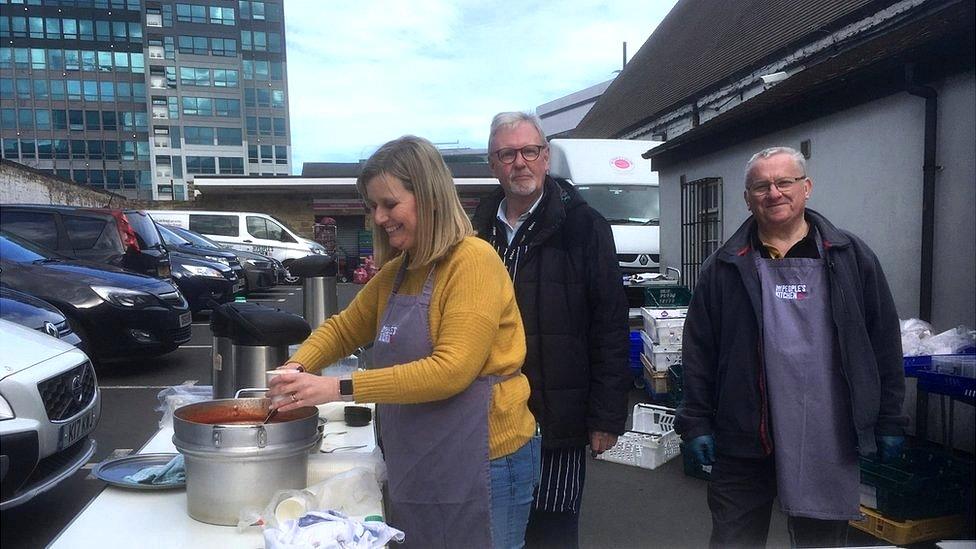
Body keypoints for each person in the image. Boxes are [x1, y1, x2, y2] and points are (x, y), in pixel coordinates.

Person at [268, 135, 539, 549]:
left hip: (486, 458)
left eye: (389, 204)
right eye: (373, 206)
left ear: (428, 197)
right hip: (423, 454)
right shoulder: (400, 271)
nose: (378, 217)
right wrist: (297, 368)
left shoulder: (473, 262)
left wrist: (337, 388)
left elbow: (452, 370)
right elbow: (343, 328)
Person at [676, 146, 908, 548]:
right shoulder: (724, 266)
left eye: (785, 182)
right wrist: (695, 420)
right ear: (746, 198)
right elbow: (699, 350)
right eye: (761, 186)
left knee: (820, 542)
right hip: (744, 437)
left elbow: (882, 342)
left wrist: (889, 418)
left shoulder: (851, 257)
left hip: (827, 437)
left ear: (807, 188)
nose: (774, 193)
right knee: (734, 540)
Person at [472, 112, 631, 549]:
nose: (519, 163)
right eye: (507, 154)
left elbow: (610, 324)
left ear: (545, 158)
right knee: (497, 528)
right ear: (493, 164)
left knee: (553, 528)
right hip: (492, 412)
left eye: (529, 151)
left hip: (558, 410)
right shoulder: (476, 230)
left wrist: (605, 416)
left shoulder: (584, 225)